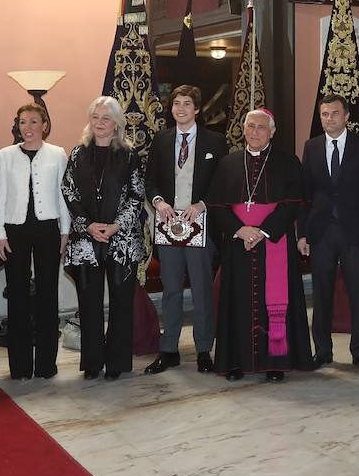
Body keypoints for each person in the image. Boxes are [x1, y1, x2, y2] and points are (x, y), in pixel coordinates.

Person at [207, 109, 314, 381]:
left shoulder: (288, 163)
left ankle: (275, 361)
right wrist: (240, 230)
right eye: (250, 126)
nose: (254, 132)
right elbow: (217, 206)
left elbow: (293, 204)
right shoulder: (228, 163)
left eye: (261, 127)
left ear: (272, 132)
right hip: (238, 244)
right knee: (237, 301)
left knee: (275, 300)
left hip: (273, 242)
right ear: (243, 130)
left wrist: (263, 232)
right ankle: (235, 361)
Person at [61, 97, 147, 380]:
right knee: (89, 303)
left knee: (122, 303)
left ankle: (117, 364)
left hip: (121, 241)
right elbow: (69, 191)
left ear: (116, 123)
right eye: (95, 117)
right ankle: (93, 363)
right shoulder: (77, 153)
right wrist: (88, 225)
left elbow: (136, 195)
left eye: (106, 118)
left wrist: (115, 226)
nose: (100, 123)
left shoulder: (129, 154)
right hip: (86, 241)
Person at [143, 85, 226, 375]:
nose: (180, 109)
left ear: (197, 109)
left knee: (202, 290)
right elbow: (149, 180)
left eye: (187, 104)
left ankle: (204, 349)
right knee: (171, 290)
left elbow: (223, 182)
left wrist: (203, 204)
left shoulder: (215, 142)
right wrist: (158, 202)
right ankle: (169, 350)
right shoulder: (161, 141)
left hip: (200, 225)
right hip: (168, 226)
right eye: (176, 103)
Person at [297, 94, 359, 373]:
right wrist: (303, 234)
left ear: (346, 117)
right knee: (321, 294)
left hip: (355, 234)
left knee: (357, 292)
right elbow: (304, 196)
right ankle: (322, 351)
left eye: (334, 113)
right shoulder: (311, 147)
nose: (328, 119)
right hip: (321, 233)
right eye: (324, 114)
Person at [0, 103, 72, 380]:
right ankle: (20, 366)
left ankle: (46, 365)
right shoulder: (4, 156)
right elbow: (0, 196)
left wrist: (65, 231)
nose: (28, 128)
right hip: (15, 230)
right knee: (17, 296)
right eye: (23, 122)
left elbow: (63, 194)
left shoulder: (57, 154)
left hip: (48, 228)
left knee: (48, 294)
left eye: (34, 122)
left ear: (44, 125)